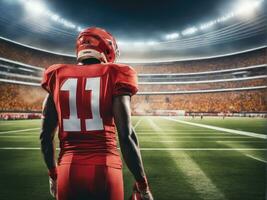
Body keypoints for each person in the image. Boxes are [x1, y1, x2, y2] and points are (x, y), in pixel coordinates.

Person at [40, 27, 153, 200]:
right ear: (108, 49)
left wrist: (53, 174)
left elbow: (45, 136)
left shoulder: (56, 74)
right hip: (105, 166)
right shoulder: (115, 73)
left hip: (68, 169)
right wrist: (142, 183)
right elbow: (126, 135)